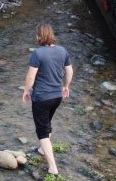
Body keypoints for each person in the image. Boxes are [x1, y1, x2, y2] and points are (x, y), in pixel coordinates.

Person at [23, 23, 73, 180]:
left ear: (40, 36)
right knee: (47, 122)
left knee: (42, 131)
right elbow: (69, 71)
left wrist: (26, 91)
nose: (35, 37)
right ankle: (43, 150)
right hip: (57, 96)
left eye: (36, 35)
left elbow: (31, 77)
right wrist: (65, 86)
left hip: (41, 98)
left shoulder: (38, 53)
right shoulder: (62, 51)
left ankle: (53, 168)